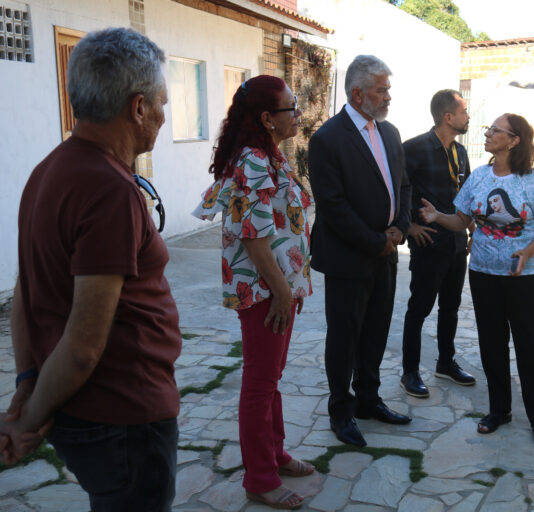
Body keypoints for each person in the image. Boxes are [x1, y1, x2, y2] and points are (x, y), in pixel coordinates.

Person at [0, 28, 182, 510]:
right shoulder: (109, 190)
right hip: (122, 418)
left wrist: (26, 384)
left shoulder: (49, 170)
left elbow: (26, 291)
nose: (165, 117)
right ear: (138, 107)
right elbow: (82, 347)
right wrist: (27, 421)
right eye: (162, 102)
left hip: (93, 415)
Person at [192, 75, 314, 510]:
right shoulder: (252, 164)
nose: (298, 113)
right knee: (260, 385)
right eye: (291, 107)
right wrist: (282, 293)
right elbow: (253, 237)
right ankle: (260, 478)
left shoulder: (268, 156)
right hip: (265, 292)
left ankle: (274, 454)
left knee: (270, 380)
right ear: (267, 118)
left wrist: (291, 286)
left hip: (279, 288)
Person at [420, 113, 534, 450]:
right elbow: (463, 219)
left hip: (525, 278)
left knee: (529, 347)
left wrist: (525, 252)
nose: (488, 133)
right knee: (492, 344)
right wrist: (438, 217)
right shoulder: (479, 177)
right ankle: (500, 410)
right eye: (489, 128)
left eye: (496, 130)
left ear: (513, 141)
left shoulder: (530, 180)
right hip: (482, 274)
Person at [308, 55, 412, 447]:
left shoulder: (390, 133)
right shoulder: (327, 139)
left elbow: (404, 186)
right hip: (349, 258)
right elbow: (332, 206)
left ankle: (368, 400)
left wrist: (399, 229)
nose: (388, 96)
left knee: (376, 331)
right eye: (381, 89)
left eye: (387, 88)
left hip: (386, 254)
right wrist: (376, 241)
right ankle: (341, 410)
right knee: (344, 337)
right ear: (357, 93)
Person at [400, 89, 476, 398]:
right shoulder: (414, 148)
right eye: (464, 111)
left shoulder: (461, 152)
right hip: (428, 242)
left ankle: (446, 363)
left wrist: (470, 232)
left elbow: (468, 196)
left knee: (451, 308)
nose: (468, 116)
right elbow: (398, 188)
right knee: (419, 308)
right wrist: (408, 226)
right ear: (448, 117)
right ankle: (410, 372)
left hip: (456, 243)